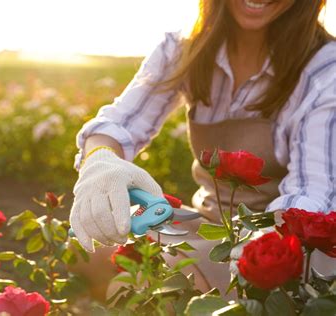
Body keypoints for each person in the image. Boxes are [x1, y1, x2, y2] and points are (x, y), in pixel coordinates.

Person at [69, 0, 336, 298]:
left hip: (282, 245)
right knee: (87, 246)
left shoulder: (325, 69)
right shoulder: (185, 48)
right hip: (211, 225)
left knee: (157, 281)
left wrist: (257, 253)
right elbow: (119, 124)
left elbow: (312, 196)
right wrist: (101, 160)